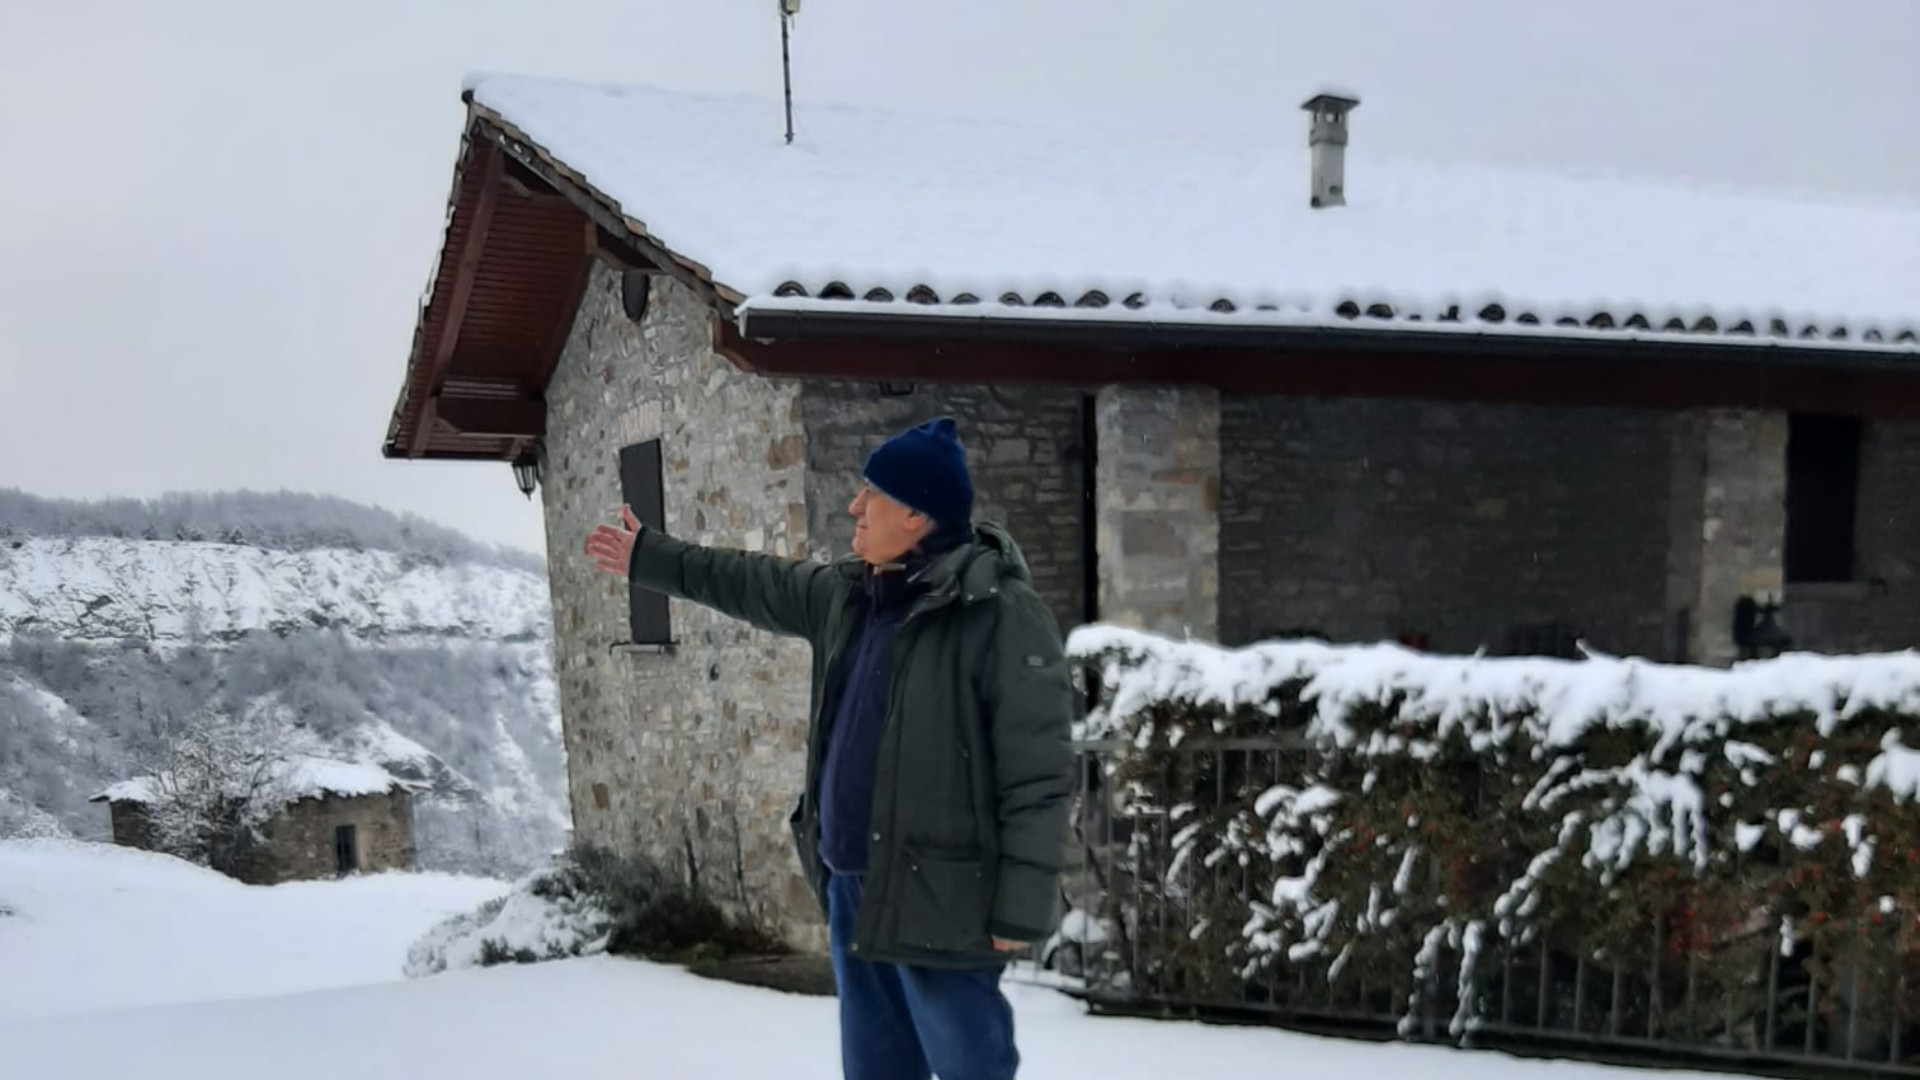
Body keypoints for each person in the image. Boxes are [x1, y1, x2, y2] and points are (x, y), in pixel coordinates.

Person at [584, 416, 1073, 1080]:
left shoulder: (998, 614)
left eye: (871, 494)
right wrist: (649, 556)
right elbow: (745, 580)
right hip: (851, 885)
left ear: (917, 513)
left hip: (946, 895)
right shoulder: (846, 597)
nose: (854, 507)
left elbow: (1038, 773)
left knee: (971, 1066)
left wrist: (1020, 906)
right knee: (875, 1069)